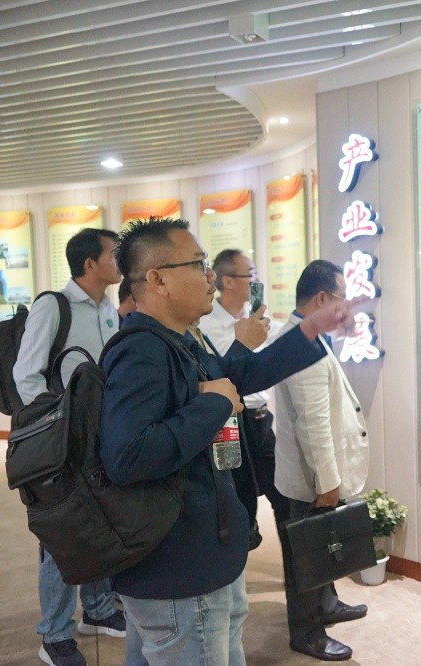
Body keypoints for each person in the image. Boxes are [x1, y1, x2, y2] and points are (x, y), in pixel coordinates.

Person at [98, 218, 351, 665]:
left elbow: (234, 378)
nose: (210, 276)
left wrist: (309, 330)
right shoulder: (141, 351)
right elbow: (128, 455)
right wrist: (213, 404)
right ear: (157, 280)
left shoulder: (178, 340)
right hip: (180, 566)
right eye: (198, 265)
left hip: (204, 549)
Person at [12, 228, 125, 666]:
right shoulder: (53, 305)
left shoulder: (107, 308)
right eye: (115, 253)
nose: (121, 259)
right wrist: (55, 428)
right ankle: (55, 634)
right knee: (61, 535)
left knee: (99, 523)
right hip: (63, 442)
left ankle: (98, 610)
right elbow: (27, 375)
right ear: (89, 263)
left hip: (102, 436)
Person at [273, 259, 370, 662]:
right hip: (312, 480)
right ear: (321, 298)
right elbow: (313, 423)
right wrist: (327, 483)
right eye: (342, 299)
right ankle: (308, 633)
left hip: (314, 475)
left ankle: (326, 605)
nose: (345, 309)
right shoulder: (300, 345)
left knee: (323, 548)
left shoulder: (307, 335)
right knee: (308, 556)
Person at [199, 248, 291, 550]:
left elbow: (285, 341)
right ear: (227, 281)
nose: (256, 280)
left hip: (261, 419)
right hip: (230, 423)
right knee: (240, 501)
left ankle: (298, 573)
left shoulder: (256, 320)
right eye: (250, 275)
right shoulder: (205, 325)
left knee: (283, 496)